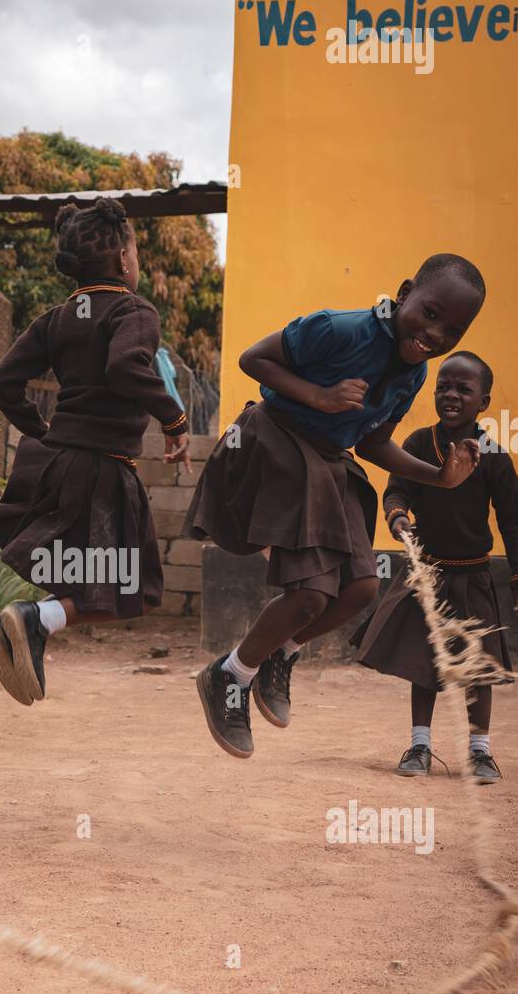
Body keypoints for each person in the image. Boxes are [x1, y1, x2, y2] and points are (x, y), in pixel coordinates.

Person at [183, 253, 486, 758]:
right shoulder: (339, 331)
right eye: (430, 314)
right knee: (309, 595)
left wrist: (440, 477)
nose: (435, 335)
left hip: (330, 460)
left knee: (362, 588)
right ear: (406, 291)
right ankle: (229, 676)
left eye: (452, 330)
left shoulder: (412, 375)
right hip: (277, 441)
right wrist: (319, 396)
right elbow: (253, 359)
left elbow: (372, 443)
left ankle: (280, 653)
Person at [0, 198, 190, 705]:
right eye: (135, 249)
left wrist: (45, 430)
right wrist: (174, 419)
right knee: (135, 588)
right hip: (102, 471)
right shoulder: (134, 310)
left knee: (97, 579)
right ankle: (34, 618)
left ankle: (37, 622)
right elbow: (123, 368)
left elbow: (2, 386)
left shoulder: (57, 318)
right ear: (124, 260)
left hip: (60, 464)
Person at [353, 350, 518, 783]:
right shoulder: (416, 445)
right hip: (428, 572)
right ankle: (420, 744)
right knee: (423, 663)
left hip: (475, 573)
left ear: (483, 401)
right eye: (443, 385)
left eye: (463, 389)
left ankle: (480, 752)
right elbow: (396, 490)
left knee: (477, 665)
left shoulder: (494, 455)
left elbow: (512, 519)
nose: (450, 395)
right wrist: (398, 515)